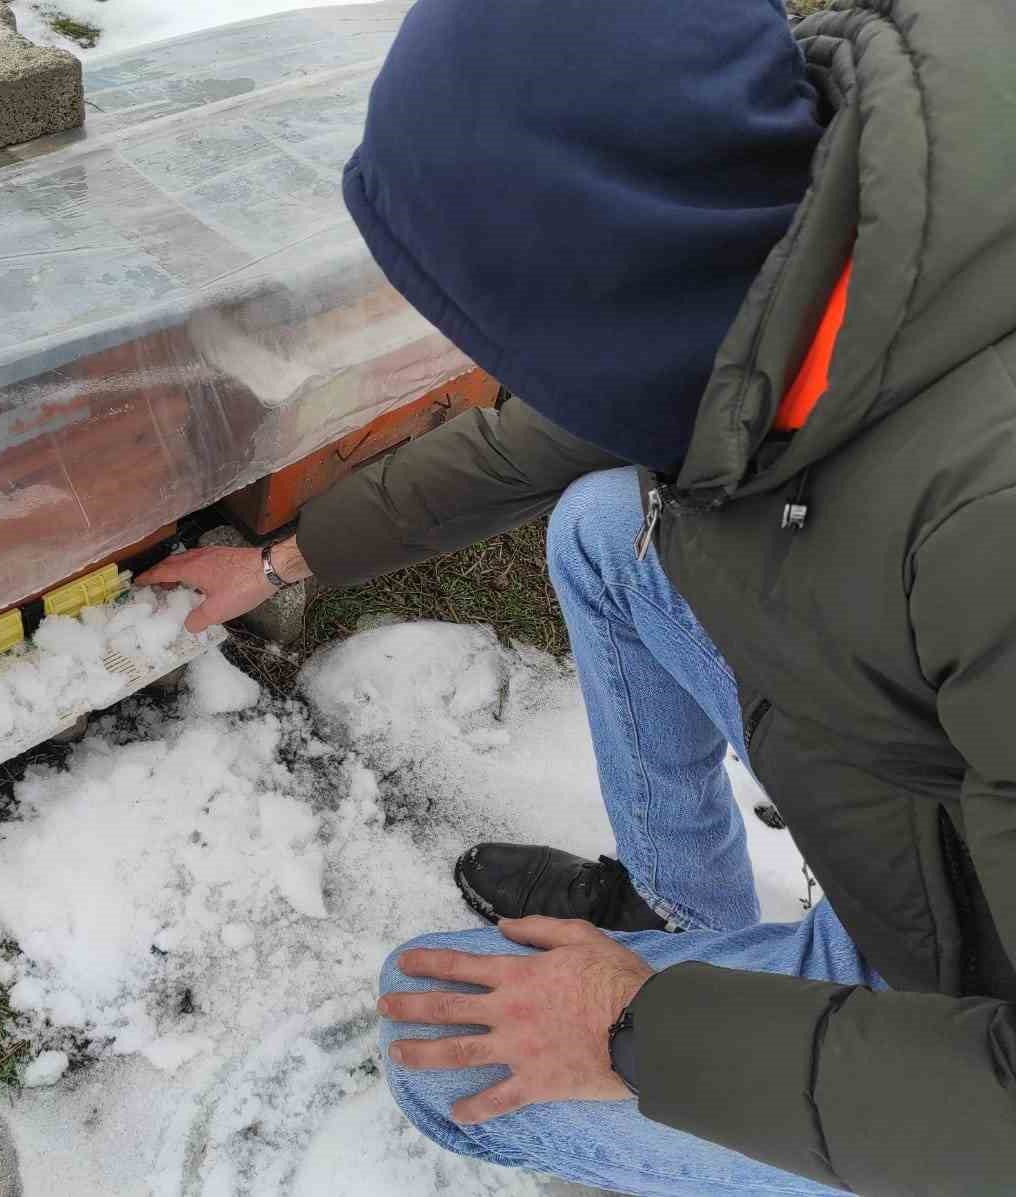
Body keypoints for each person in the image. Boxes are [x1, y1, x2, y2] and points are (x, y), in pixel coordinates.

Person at [138, 0, 1016, 1192]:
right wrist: (278, 561)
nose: (508, 368)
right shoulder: (804, 230)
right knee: (608, 533)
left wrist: (636, 1036)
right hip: (911, 792)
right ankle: (679, 916)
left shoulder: (986, 532)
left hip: (950, 1005)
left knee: (439, 1042)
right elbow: (529, 445)